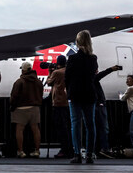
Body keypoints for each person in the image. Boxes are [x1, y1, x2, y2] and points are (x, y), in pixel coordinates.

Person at [64, 31, 98, 164]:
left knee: (76, 124)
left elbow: (67, 77)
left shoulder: (72, 59)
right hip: (89, 94)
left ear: (77, 43)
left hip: (75, 94)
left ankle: (77, 154)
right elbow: (93, 76)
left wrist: (69, 90)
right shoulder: (93, 59)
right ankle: (89, 154)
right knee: (90, 125)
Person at [10, 61, 43, 158]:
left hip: (21, 109)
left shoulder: (19, 81)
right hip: (35, 108)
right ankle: (37, 151)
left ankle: (21, 151)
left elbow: (14, 96)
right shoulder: (38, 82)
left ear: (23, 70)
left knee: (19, 130)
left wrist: (12, 106)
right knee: (35, 130)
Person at [93, 65, 123, 158]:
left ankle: (96, 149)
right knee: (103, 128)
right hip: (99, 105)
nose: (97, 70)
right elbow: (100, 75)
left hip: (94, 105)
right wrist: (111, 69)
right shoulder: (92, 78)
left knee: (95, 128)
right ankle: (104, 149)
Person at [46, 55, 73, 158]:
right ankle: (70, 149)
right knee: (68, 126)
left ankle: (65, 149)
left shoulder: (57, 73)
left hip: (58, 102)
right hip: (68, 102)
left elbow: (49, 82)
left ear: (58, 63)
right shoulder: (69, 71)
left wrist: (50, 72)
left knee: (61, 127)